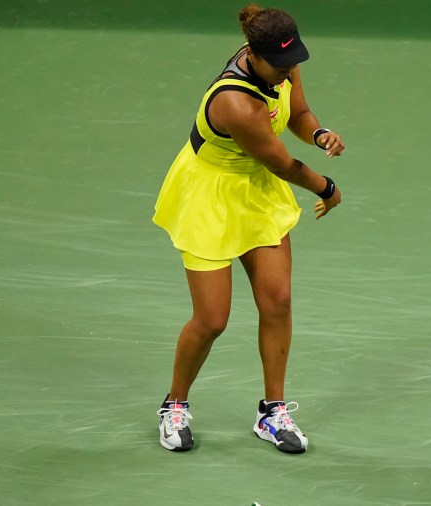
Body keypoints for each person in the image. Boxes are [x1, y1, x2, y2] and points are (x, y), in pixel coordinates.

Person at [151, 3, 344, 454]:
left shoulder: (281, 60)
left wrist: (318, 133)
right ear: (253, 55)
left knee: (278, 301)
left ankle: (272, 411)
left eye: (292, 61)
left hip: (256, 193)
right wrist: (328, 188)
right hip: (210, 198)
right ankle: (174, 405)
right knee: (212, 319)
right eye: (280, 65)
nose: (288, 70)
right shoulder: (235, 102)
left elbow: (298, 112)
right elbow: (283, 165)